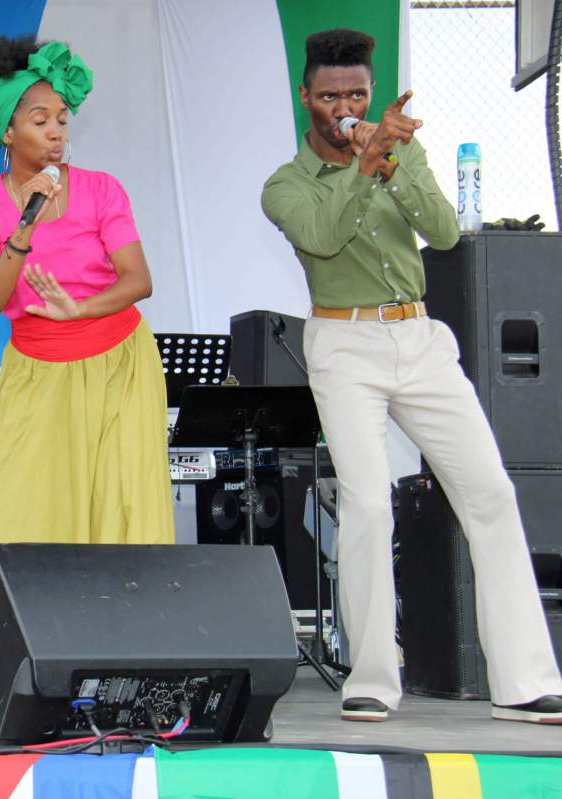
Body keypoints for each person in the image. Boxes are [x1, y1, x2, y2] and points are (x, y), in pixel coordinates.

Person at [262, 29, 562, 724]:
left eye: (358, 93)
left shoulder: (400, 149)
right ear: (306, 97)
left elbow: (446, 232)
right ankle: (371, 677)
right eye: (332, 95)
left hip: (420, 336)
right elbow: (322, 238)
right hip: (343, 340)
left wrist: (392, 162)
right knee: (367, 503)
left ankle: (522, 680)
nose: (346, 105)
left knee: (490, 492)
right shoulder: (285, 184)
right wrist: (364, 168)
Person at [0, 37, 175, 725]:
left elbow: (137, 280)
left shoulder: (102, 189)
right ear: (7, 128)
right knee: (3, 521)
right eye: (40, 118)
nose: (57, 130)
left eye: (61, 117)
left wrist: (78, 306)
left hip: (118, 364)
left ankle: (137, 675)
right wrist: (25, 221)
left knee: (124, 516)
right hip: (36, 369)